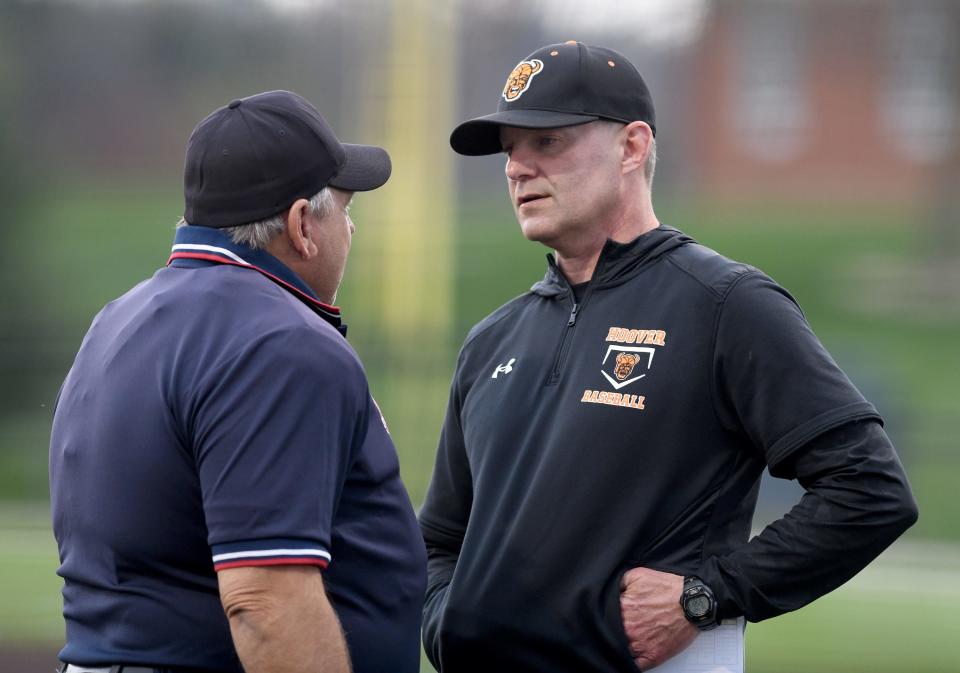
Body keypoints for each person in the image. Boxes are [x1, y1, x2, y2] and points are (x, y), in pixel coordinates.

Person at [419, 41, 918, 672]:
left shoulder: (725, 304)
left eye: (547, 142)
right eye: (511, 148)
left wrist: (706, 596)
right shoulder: (494, 338)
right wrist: (449, 620)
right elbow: (439, 537)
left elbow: (869, 490)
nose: (518, 167)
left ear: (631, 147)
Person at [49, 90, 426, 673]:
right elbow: (265, 603)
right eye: (345, 210)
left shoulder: (119, 317)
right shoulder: (281, 341)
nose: (350, 230)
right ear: (303, 226)